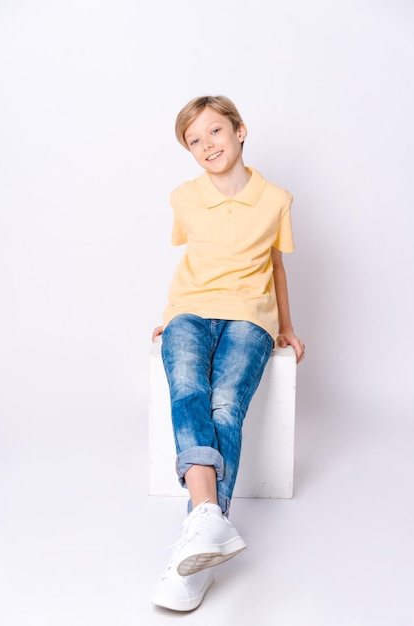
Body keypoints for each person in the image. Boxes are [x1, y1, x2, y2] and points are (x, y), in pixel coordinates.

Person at [150, 95, 305, 612]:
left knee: (224, 406)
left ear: (240, 131)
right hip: (189, 311)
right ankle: (207, 527)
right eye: (194, 141)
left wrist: (286, 326)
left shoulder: (277, 199)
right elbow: (197, 261)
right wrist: (173, 320)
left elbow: (277, 267)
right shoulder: (183, 197)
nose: (206, 146)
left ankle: (194, 551)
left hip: (250, 317)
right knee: (188, 387)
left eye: (214, 132)